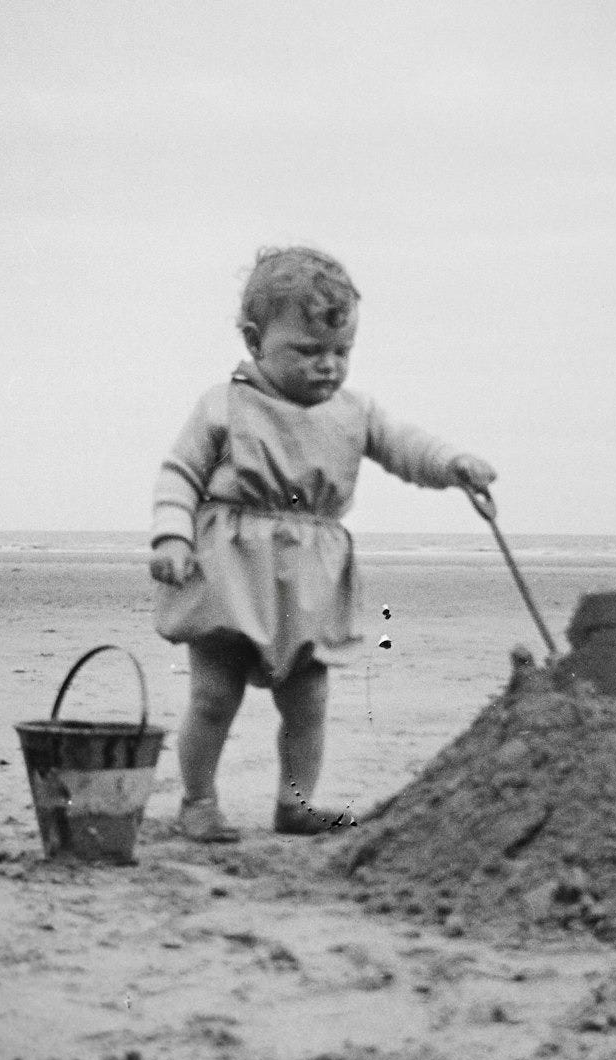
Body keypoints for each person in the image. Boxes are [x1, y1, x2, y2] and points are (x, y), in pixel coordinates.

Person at [149, 247, 496, 841]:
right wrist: (172, 537)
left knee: (308, 702)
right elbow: (179, 474)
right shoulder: (225, 403)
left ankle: (295, 802)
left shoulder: (353, 411)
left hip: (311, 577)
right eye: (307, 351)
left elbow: (406, 447)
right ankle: (198, 801)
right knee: (213, 696)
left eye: (342, 352)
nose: (328, 366)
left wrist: (453, 464)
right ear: (256, 340)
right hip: (231, 568)